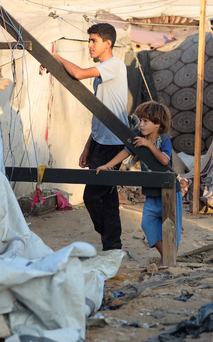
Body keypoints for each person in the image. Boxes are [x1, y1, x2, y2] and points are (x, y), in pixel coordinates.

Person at [40, 23, 128, 251]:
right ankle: (112, 245)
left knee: (91, 196)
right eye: (89, 40)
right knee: (107, 199)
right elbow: (101, 114)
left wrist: (56, 58)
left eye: (93, 41)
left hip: (114, 144)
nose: (89, 46)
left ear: (108, 43)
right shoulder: (103, 71)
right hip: (101, 142)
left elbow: (78, 74)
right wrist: (88, 147)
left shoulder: (114, 65)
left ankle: (110, 239)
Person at [96, 101, 182, 261]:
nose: (141, 124)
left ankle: (170, 259)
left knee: (171, 227)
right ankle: (169, 257)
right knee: (147, 223)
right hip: (151, 192)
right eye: (140, 120)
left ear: (157, 124)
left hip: (169, 191)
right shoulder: (140, 137)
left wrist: (149, 145)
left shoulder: (163, 139)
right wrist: (108, 165)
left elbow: (164, 160)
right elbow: (125, 152)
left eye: (145, 121)